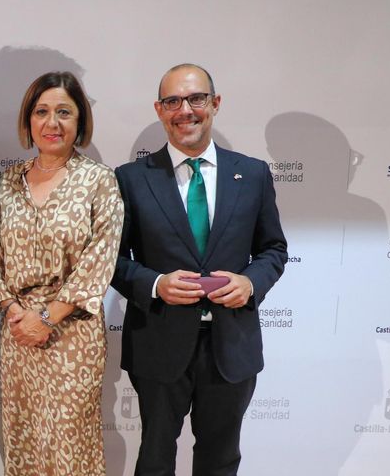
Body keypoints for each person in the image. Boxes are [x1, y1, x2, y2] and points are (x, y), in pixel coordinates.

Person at [112, 63, 287, 476]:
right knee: (154, 459)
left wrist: (250, 282)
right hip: (158, 343)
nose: (185, 110)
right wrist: (154, 284)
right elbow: (111, 261)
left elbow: (274, 249)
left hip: (231, 345)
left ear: (215, 104)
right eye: (172, 101)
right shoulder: (131, 179)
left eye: (196, 99)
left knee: (220, 460)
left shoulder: (254, 174)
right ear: (159, 109)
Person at [0, 71, 124, 475]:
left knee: (69, 443)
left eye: (64, 112)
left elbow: (100, 260)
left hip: (73, 334)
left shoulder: (100, 181)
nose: (52, 122)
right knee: (23, 437)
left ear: (80, 121)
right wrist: (16, 312)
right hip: (18, 335)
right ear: (29, 120)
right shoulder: (9, 180)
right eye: (42, 112)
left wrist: (46, 318)